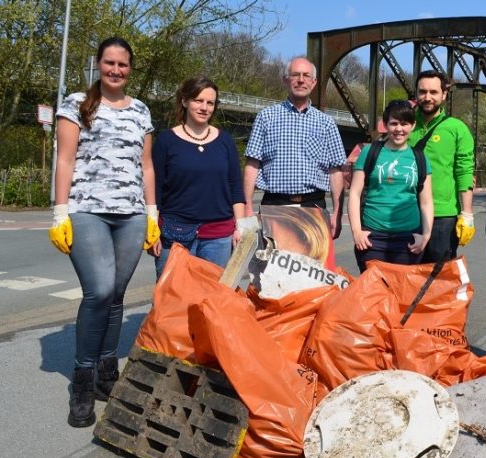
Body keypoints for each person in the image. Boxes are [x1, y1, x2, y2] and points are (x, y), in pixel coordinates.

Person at [48, 37, 159, 427]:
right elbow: (64, 158)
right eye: (109, 63)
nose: (115, 70)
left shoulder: (141, 110)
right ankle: (82, 380)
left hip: (130, 213)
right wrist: (60, 211)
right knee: (98, 291)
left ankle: (107, 375)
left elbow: (145, 165)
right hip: (87, 210)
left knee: (117, 295)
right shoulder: (77, 104)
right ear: (98, 64)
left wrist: (152, 211)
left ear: (130, 69)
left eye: (122, 65)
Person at [150, 75, 245, 278]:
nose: (204, 107)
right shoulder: (166, 140)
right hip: (173, 235)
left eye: (210, 103)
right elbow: (155, 189)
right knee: (172, 303)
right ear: (185, 101)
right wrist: (151, 229)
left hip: (219, 236)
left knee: (210, 303)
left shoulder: (225, 141)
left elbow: (235, 187)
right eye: (198, 100)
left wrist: (241, 227)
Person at [243, 56, 346, 238]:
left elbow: (335, 170)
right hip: (274, 205)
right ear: (285, 79)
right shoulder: (266, 118)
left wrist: (337, 212)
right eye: (295, 75)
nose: (301, 80)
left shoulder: (326, 123)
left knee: (313, 264)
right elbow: (252, 164)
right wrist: (248, 207)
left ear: (313, 83)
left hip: (313, 206)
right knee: (271, 264)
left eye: (306, 76)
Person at [348, 100, 433, 272]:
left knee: (403, 294)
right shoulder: (369, 152)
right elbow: (355, 194)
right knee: (375, 293)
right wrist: (357, 231)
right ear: (386, 125)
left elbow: (426, 202)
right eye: (394, 123)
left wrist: (425, 236)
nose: (399, 129)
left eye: (404, 123)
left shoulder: (420, 158)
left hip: (408, 239)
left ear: (413, 125)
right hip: (373, 238)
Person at [408, 70, 475, 263]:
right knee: (406, 278)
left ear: (444, 95)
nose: (427, 97)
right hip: (406, 212)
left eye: (433, 92)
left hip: (442, 215)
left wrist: (467, 213)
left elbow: (464, 170)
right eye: (422, 92)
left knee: (439, 279)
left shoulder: (456, 128)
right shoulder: (406, 125)